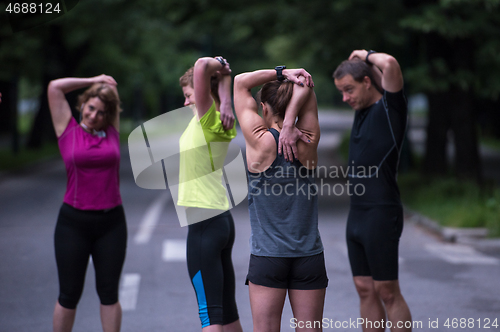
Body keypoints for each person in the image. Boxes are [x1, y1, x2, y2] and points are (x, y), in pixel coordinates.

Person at [233, 67, 327, 332]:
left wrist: (281, 71)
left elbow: (240, 83)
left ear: (263, 107)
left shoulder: (260, 142)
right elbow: (308, 87)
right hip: (309, 255)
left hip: (268, 257)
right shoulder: (307, 140)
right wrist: (290, 123)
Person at [333, 50, 412, 331]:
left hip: (381, 212)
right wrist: (364, 62)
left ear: (367, 82)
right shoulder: (363, 111)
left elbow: (390, 64)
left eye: (348, 90)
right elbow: (378, 77)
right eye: (341, 91)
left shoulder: (391, 111)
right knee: (364, 287)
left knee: (387, 290)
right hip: (357, 215)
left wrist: (367, 54)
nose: (345, 97)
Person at [47, 75, 126, 332]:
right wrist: (94, 80)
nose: (94, 115)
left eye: (101, 112)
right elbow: (55, 87)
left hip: (111, 223)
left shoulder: (111, 130)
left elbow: (112, 88)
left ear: (108, 115)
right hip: (73, 223)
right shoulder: (67, 130)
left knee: (109, 293)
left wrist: (106, 88)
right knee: (69, 295)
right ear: (82, 105)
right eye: (90, 108)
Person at [178, 56, 243, 332]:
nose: (185, 102)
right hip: (220, 219)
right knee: (227, 313)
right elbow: (221, 75)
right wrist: (225, 83)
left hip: (204, 222)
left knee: (210, 315)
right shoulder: (219, 118)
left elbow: (203, 64)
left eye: (189, 95)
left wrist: (218, 66)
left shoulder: (208, 119)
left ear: (203, 92)